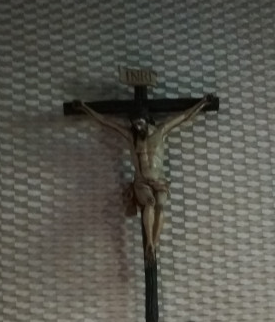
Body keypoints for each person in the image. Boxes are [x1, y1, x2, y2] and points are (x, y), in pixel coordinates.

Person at [79, 94, 215, 255]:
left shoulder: (161, 131)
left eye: (140, 123)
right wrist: (84, 108)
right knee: (150, 202)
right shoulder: (131, 137)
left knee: (160, 205)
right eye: (134, 124)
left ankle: (154, 244)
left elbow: (184, 116)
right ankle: (149, 243)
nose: (137, 127)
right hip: (142, 181)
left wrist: (202, 103)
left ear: (146, 120)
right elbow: (106, 122)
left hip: (159, 180)